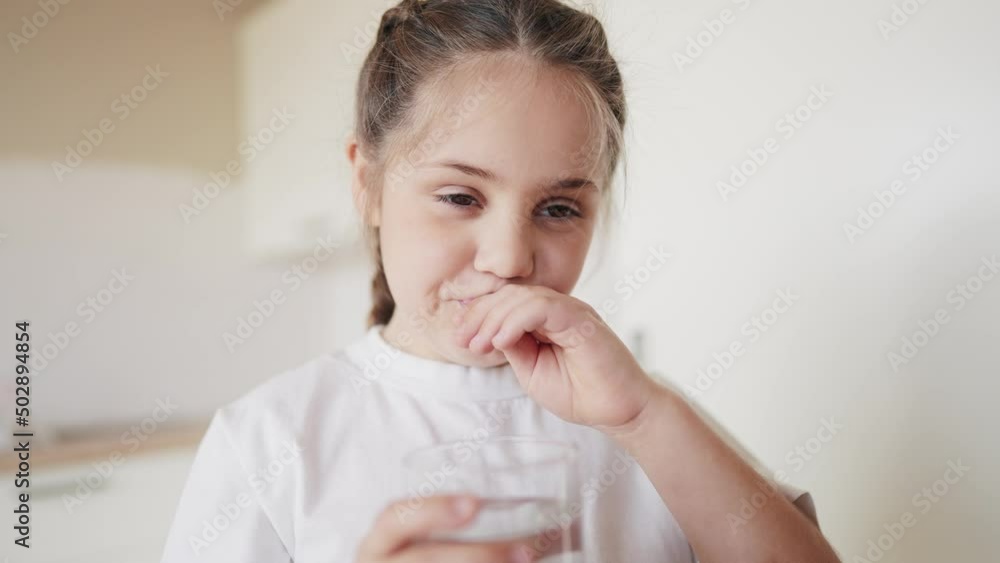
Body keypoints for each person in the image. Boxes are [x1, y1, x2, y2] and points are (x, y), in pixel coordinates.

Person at [161, 1, 842, 561]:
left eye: (558, 208)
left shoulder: (643, 419)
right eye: (460, 197)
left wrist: (644, 416)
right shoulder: (268, 442)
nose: (510, 258)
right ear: (366, 183)